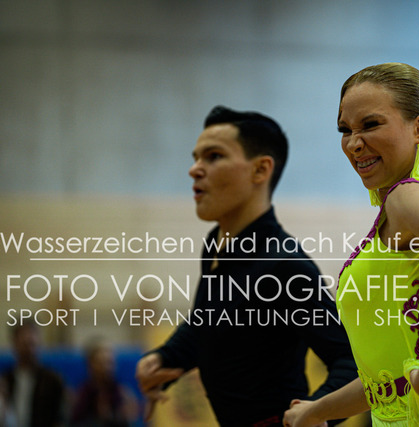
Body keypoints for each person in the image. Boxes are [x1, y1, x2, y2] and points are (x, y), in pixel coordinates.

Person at [283, 63, 419, 426]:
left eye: (370, 125)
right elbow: (388, 382)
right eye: (345, 130)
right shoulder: (402, 208)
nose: (354, 143)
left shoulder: (407, 196)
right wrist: (314, 411)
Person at [135, 106, 357, 426]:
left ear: (260, 170)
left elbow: (350, 363)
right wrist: (164, 357)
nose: (194, 170)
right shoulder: (216, 244)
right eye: (196, 158)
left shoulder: (286, 266)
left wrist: (315, 413)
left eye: (213, 156)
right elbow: (209, 320)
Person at [1, 321, 66, 427]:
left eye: (32, 344)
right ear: (15, 344)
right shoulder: (5, 381)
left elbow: (60, 418)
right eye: (24, 344)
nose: (29, 350)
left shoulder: (52, 381)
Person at [70, 337, 139, 426]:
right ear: (90, 364)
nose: (107, 368)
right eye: (101, 362)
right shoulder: (82, 395)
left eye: (110, 362)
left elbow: (131, 419)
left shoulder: (124, 394)